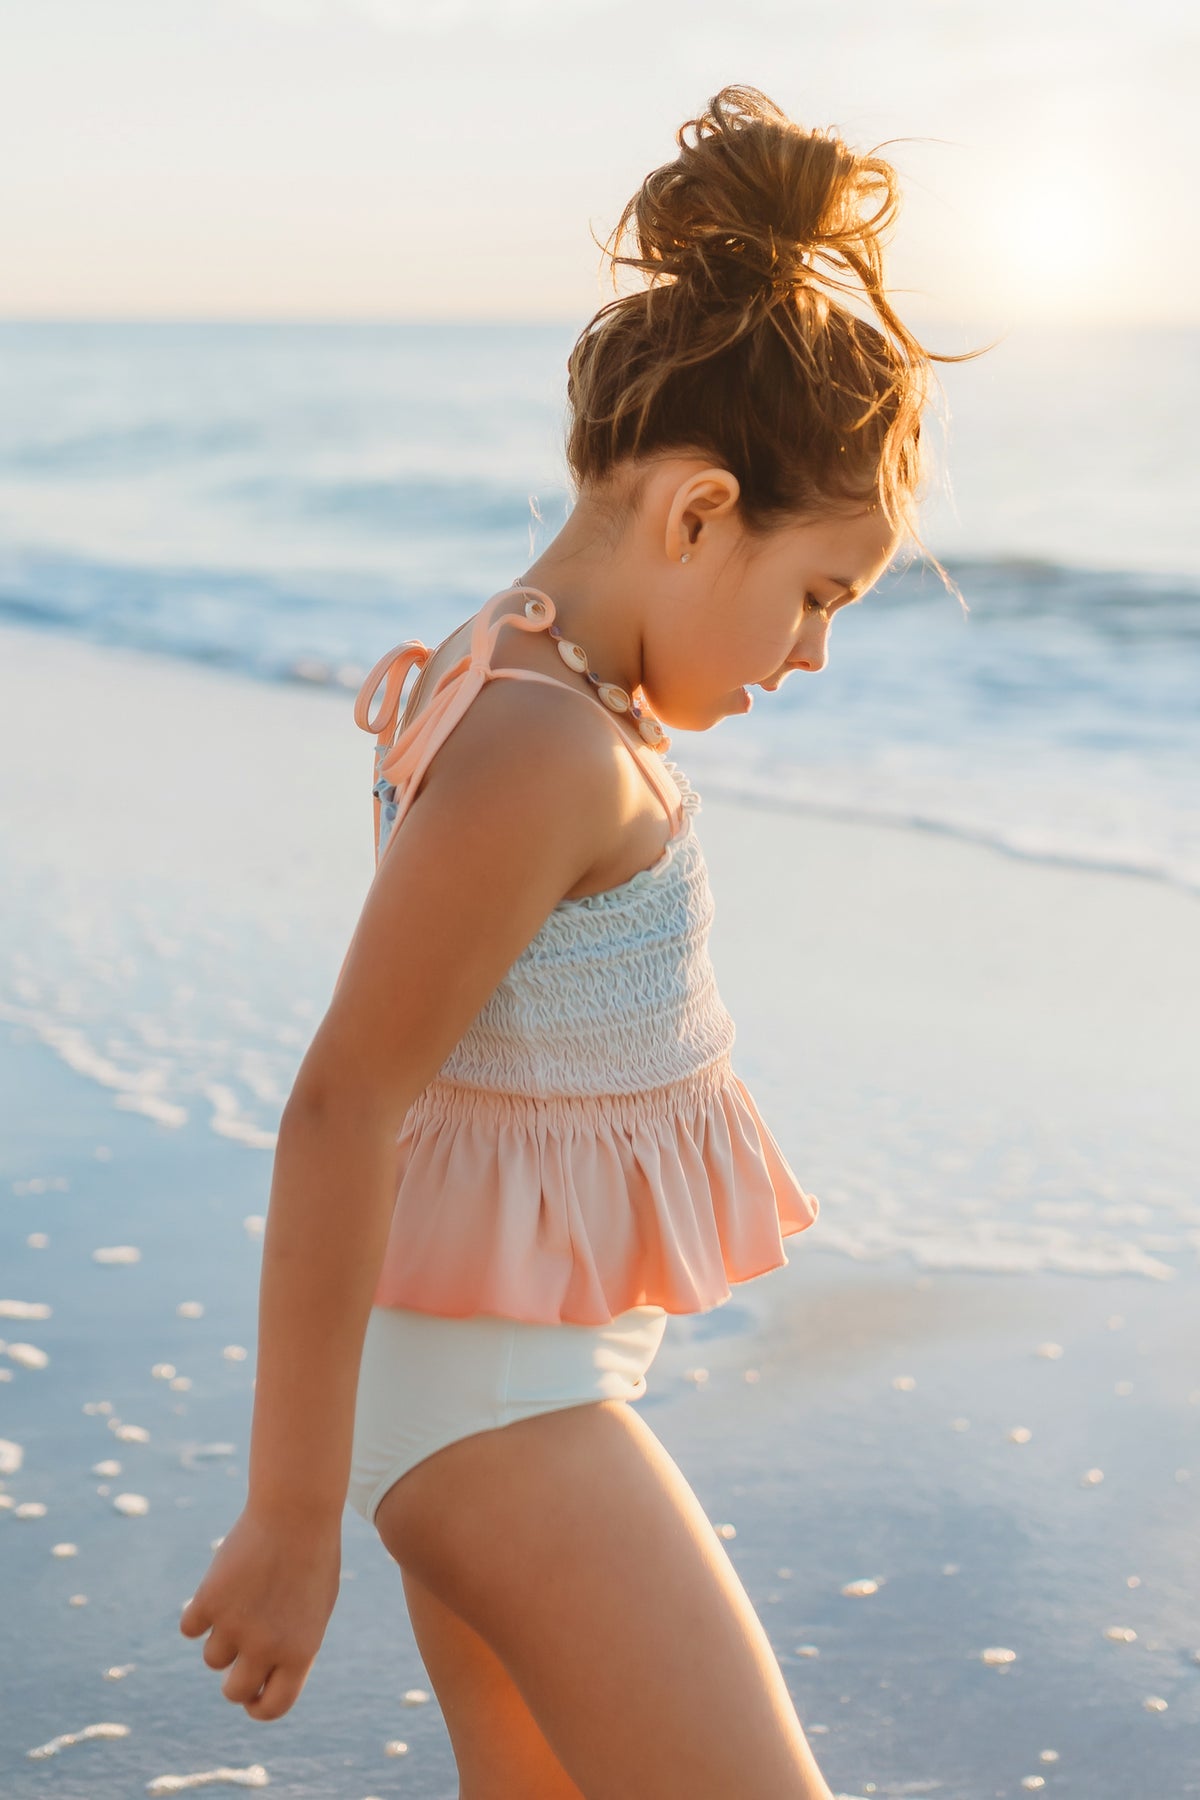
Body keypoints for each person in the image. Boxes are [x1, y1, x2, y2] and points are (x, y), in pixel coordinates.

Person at [180, 83, 959, 1800]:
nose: (815, 655)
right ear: (696, 513)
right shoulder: (546, 747)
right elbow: (343, 1104)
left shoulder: (521, 668)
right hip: (492, 1410)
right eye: (818, 593)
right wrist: (289, 1514)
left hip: (483, 1383)